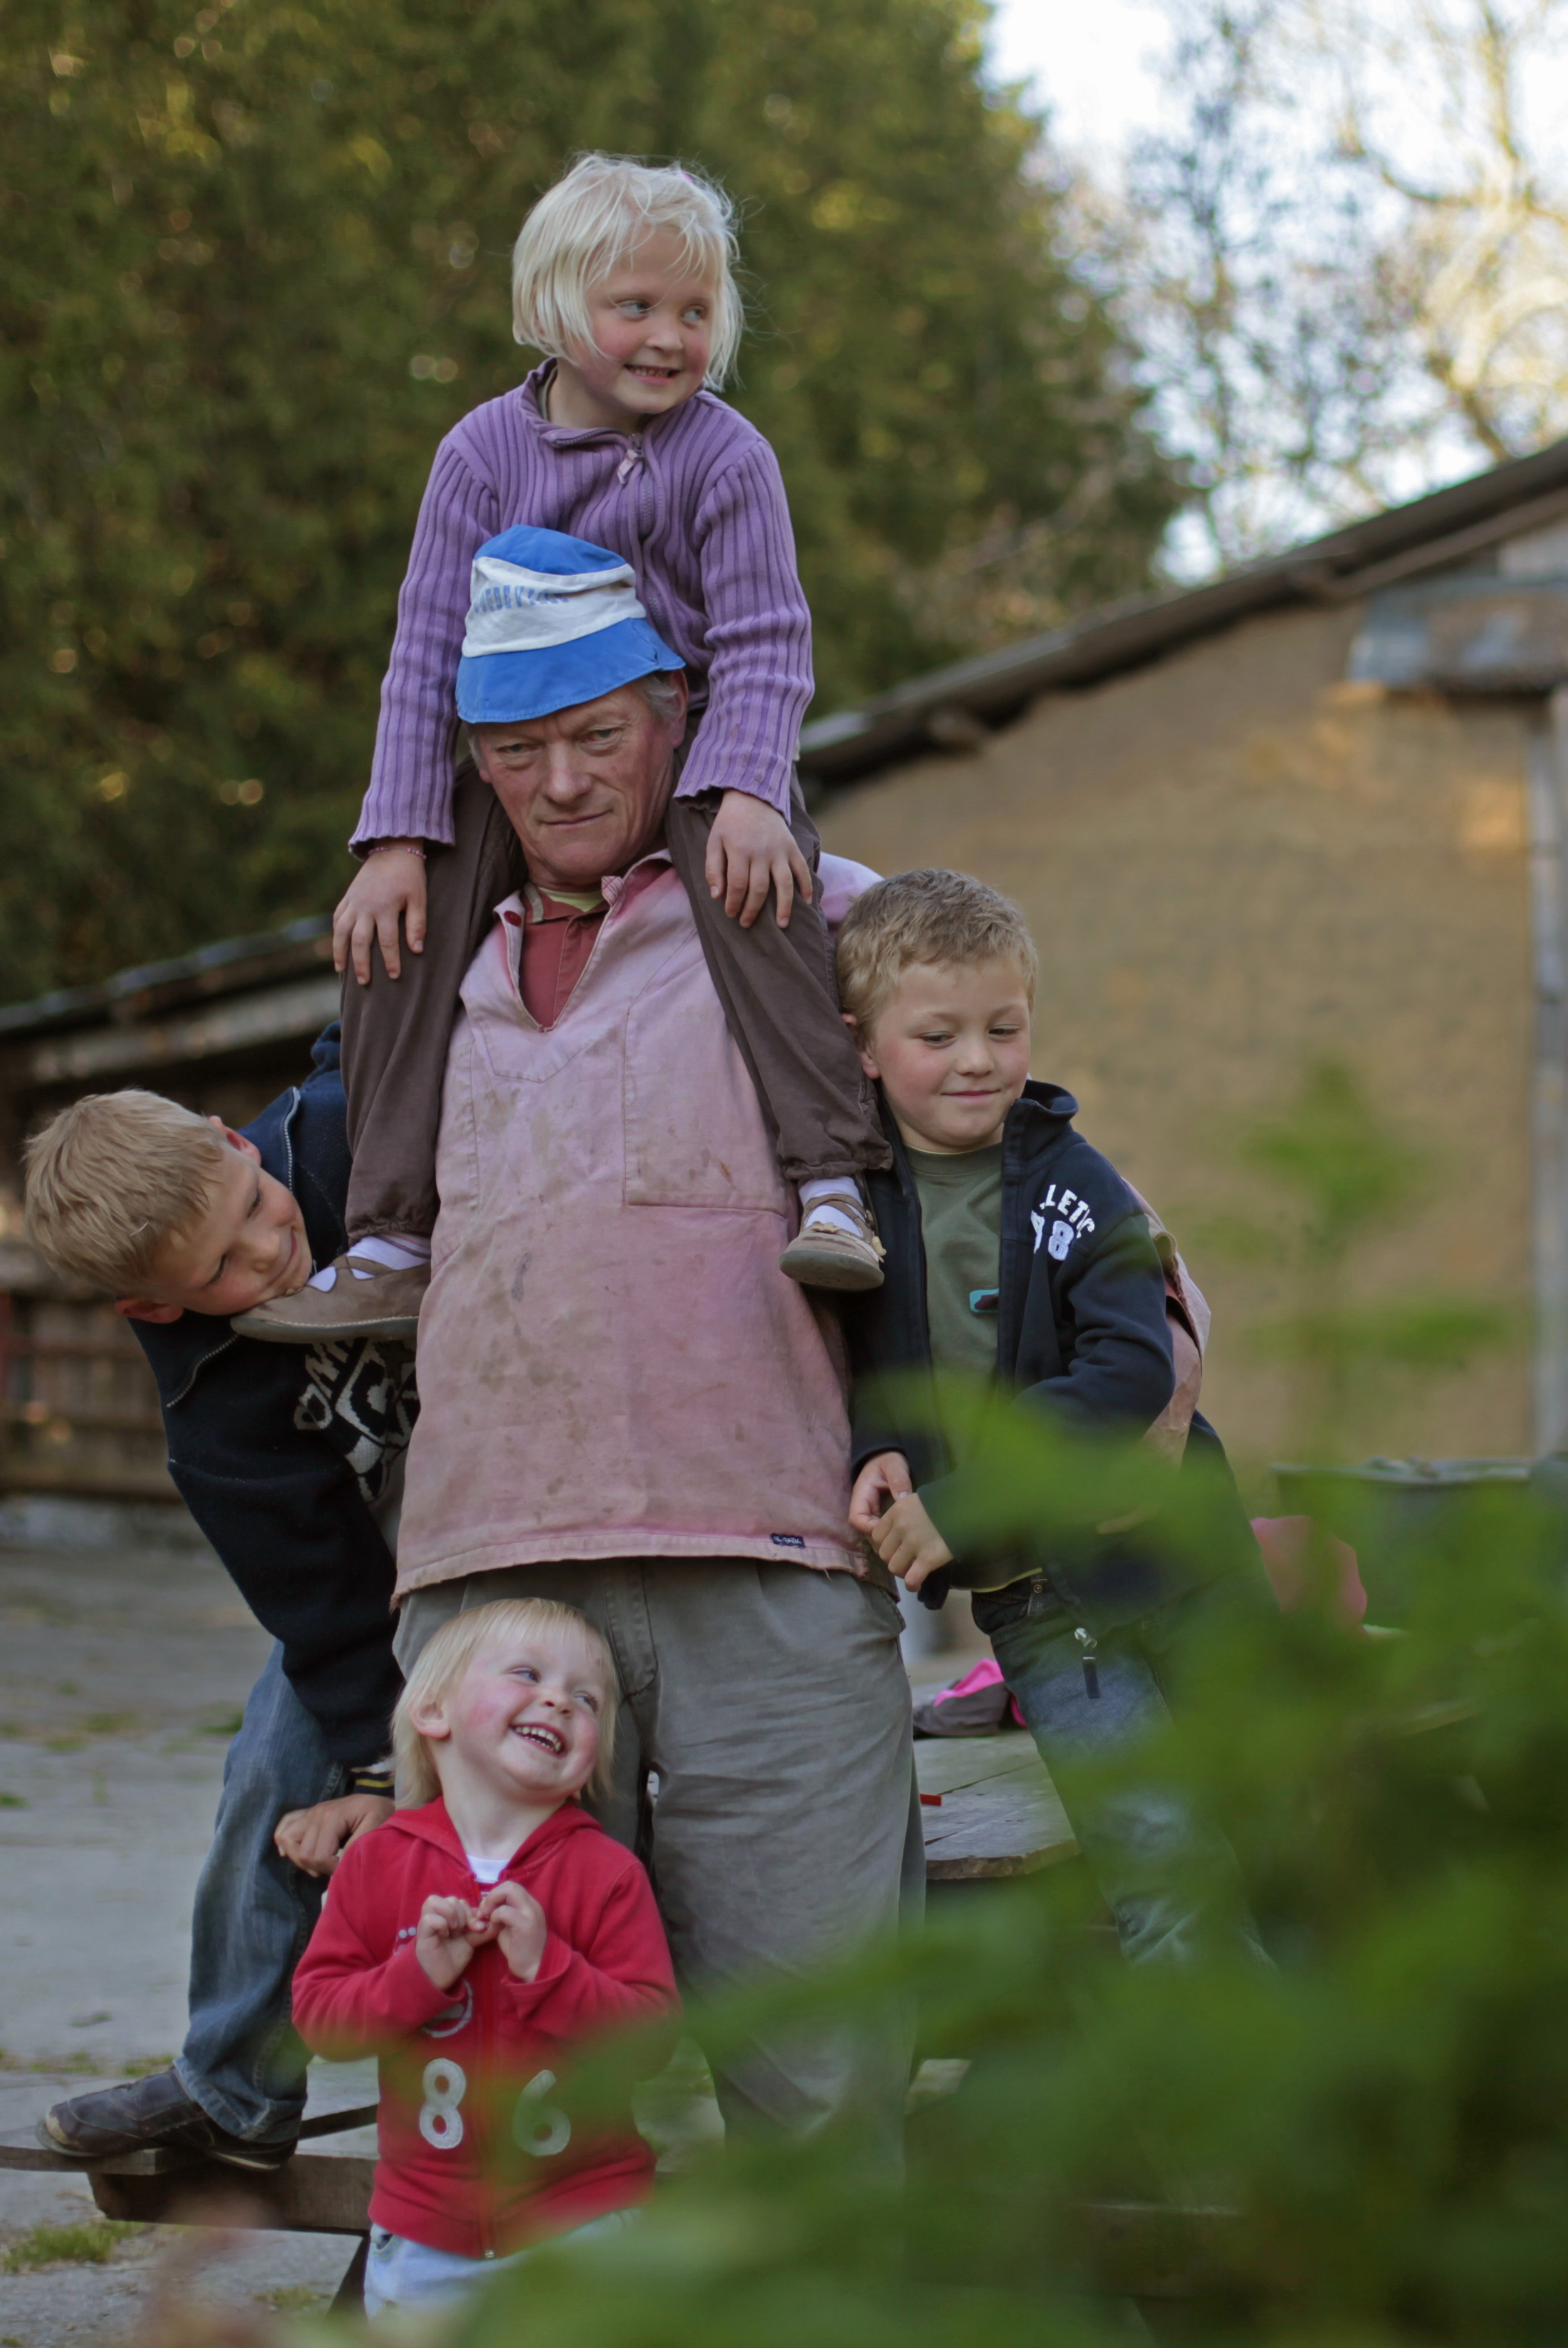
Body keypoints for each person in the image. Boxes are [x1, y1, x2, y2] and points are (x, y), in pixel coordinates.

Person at [390, 531, 922, 2154]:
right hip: (494, 1580)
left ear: (681, 716)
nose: (557, 783)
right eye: (514, 750)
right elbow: (285, 1219)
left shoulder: (809, 917)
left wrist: (1148, 1336)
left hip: (771, 1555)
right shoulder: (420, 971)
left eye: (598, 737)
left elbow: (1012, 1160)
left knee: (816, 2070)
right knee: (504, 2085)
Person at [243, 151, 884, 1346]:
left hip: (689, 740)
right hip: (526, 747)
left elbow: (765, 637)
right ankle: (390, 1231)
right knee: (400, 918)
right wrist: (391, 837)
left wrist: (748, 786)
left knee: (762, 886)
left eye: (694, 312)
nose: (668, 337)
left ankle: (832, 1179)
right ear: (555, 305)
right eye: (634, 307)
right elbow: (424, 649)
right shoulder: (482, 455)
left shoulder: (725, 454)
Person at [835, 869, 1256, 1964]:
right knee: (1162, 1870)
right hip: (1041, 1610)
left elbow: (1128, 1368)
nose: (977, 1058)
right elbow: (862, 1371)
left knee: (1276, 1838)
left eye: (1003, 1026)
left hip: (1179, 1563)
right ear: (863, 1045)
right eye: (938, 1032)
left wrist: (961, 1504)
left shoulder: (1075, 1185)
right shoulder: (848, 1206)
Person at [13, 1036, 411, 2167]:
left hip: (541, 1493)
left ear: (242, 1140)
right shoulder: (215, 1413)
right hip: (386, 1575)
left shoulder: (347, 1132)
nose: (272, 1244)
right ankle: (237, 2088)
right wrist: (377, 1761)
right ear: (155, 1305)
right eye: (225, 1268)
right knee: (272, 1771)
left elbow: (409, 1032)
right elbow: (323, 1603)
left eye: (255, 1203)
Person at [293, 1597, 676, 2315]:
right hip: (424, 2235)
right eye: (527, 1674)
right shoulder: (378, 1862)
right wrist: (417, 1979)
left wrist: (551, 1970)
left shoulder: (605, 1871)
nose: (558, 1700)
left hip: (585, 2223)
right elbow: (321, 2020)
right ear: (433, 1713)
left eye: (587, 1699)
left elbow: (651, 2042)